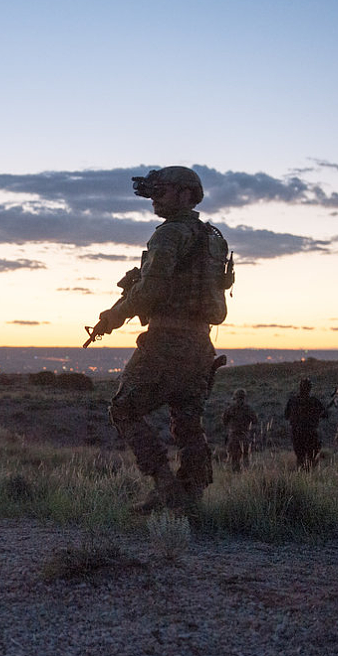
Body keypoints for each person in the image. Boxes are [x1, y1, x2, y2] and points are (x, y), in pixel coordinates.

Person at [88, 166, 234, 514]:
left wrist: (113, 317)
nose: (155, 198)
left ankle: (166, 488)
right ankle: (192, 498)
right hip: (201, 345)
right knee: (187, 421)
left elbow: (151, 290)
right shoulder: (213, 236)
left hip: (168, 341)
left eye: (163, 191)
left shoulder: (169, 235)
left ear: (186, 194)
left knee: (124, 409)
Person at [284, 377, 327, 470]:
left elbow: (286, 416)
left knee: (300, 457)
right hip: (311, 433)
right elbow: (325, 414)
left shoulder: (292, 401)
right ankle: (309, 475)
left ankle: (301, 474)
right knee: (312, 457)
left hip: (296, 433)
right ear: (310, 388)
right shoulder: (314, 401)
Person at [221, 388, 257, 471]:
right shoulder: (248, 409)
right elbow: (255, 420)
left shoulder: (230, 408)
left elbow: (224, 421)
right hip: (245, 435)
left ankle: (235, 476)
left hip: (233, 435)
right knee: (245, 457)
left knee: (234, 457)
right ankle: (245, 475)